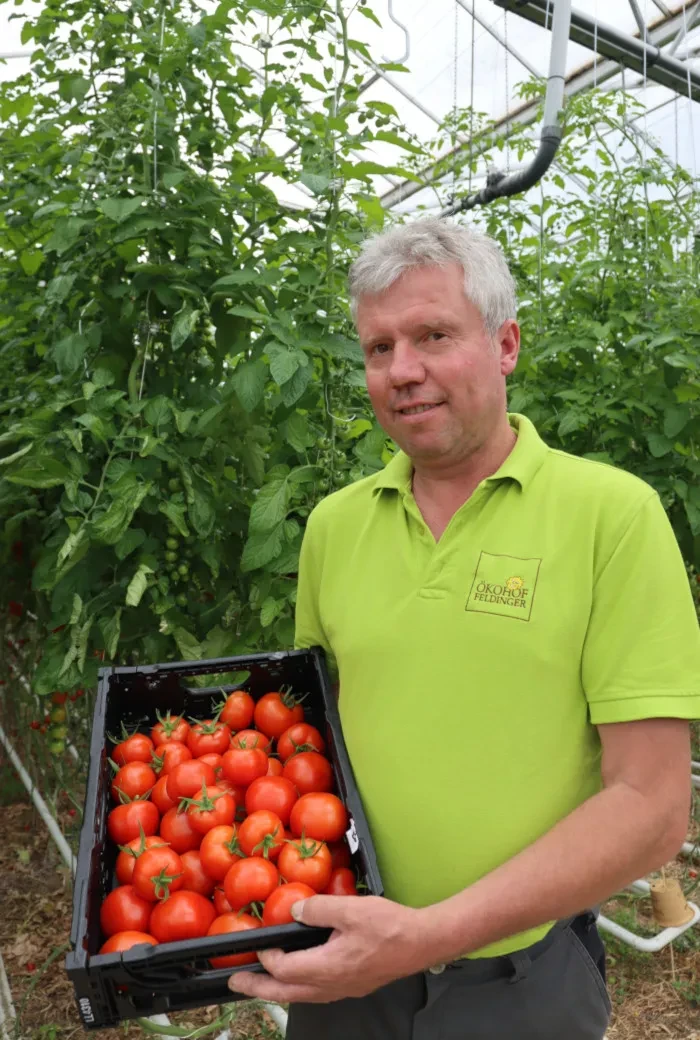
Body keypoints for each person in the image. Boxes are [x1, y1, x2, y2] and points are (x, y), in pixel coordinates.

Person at [228, 218, 700, 1039]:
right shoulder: (334, 528)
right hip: (346, 967)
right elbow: (312, 738)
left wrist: (424, 936)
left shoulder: (611, 517)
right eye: (379, 348)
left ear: (506, 343)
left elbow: (653, 805)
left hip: (520, 986)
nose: (403, 371)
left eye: (434, 335)